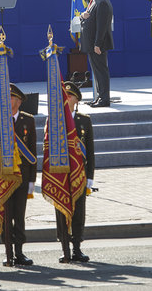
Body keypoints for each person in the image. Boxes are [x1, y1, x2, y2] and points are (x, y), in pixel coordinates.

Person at [54, 81, 94, 263]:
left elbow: (90, 152)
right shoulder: (55, 120)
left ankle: (77, 247)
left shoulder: (84, 120)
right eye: (65, 95)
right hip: (62, 174)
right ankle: (64, 248)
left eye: (70, 96)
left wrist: (90, 178)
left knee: (79, 212)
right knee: (62, 211)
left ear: (76, 100)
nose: (67, 98)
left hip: (79, 174)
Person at [3, 84, 37, 266]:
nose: (7, 101)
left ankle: (20, 251)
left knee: (19, 214)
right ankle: (8, 250)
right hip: (5, 177)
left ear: (18, 101)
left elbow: (32, 152)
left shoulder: (28, 120)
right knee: (5, 215)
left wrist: (32, 179)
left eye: (10, 98)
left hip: (22, 178)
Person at [80, 0, 113, 107]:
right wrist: (83, 16)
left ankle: (104, 99)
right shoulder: (95, 1)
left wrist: (97, 44)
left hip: (97, 45)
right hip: (92, 44)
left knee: (101, 71)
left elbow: (102, 26)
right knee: (97, 72)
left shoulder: (102, 2)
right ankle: (99, 97)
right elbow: (90, 19)